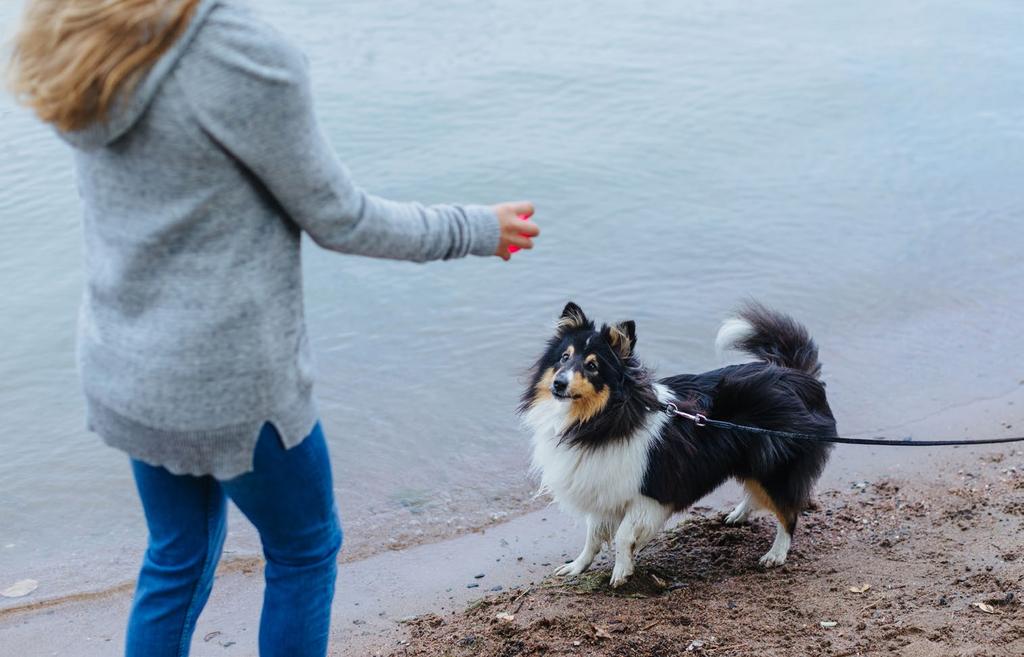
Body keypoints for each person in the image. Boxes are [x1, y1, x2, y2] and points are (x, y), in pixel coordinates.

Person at [7, 1, 539, 656]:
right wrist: (479, 228)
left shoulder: (82, 30)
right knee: (305, 549)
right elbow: (342, 219)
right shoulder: (238, 52)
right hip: (229, 385)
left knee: (175, 556)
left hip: (126, 367)